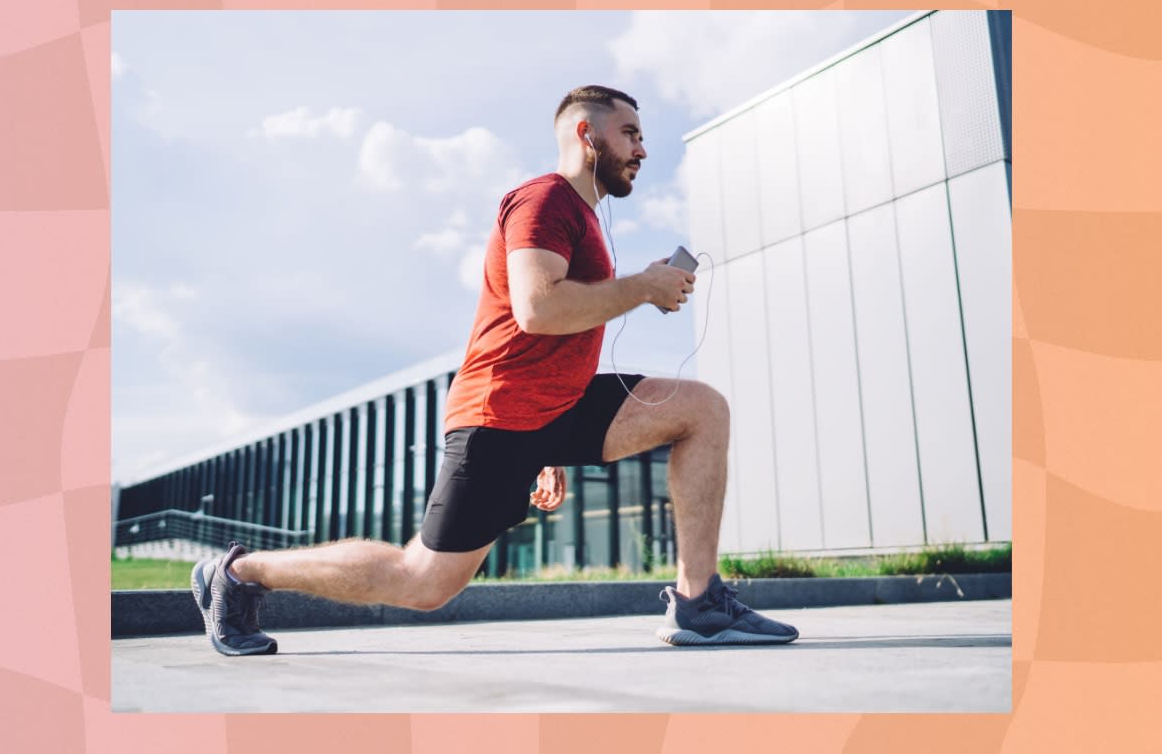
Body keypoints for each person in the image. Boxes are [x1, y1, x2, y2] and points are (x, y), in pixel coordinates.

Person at [191, 85, 799, 656]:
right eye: (630, 134)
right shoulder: (543, 200)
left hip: (557, 407)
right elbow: (539, 310)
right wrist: (642, 287)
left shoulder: (585, 218)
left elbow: (557, 335)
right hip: (500, 414)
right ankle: (239, 572)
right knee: (423, 582)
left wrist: (555, 443)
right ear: (587, 135)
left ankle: (699, 603)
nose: (642, 148)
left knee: (701, 409)